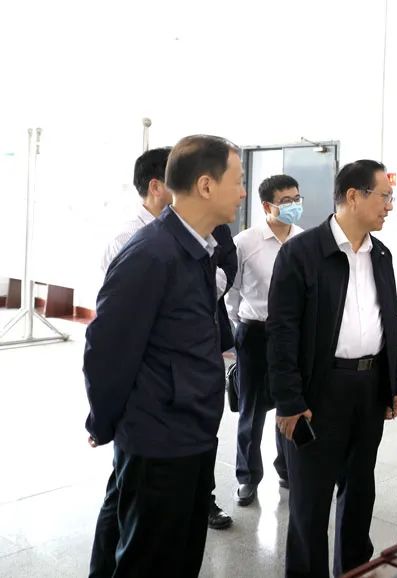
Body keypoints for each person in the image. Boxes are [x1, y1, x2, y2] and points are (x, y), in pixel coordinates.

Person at [83, 135, 246, 576]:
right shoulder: (151, 254)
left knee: (181, 555)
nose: (243, 192)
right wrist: (104, 421)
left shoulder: (198, 249)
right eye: (237, 181)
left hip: (193, 430)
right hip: (158, 440)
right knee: (150, 561)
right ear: (206, 185)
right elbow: (107, 350)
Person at [267, 160, 397, 578]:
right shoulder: (302, 253)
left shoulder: (381, 254)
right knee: (310, 504)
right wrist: (289, 401)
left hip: (368, 387)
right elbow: (281, 333)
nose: (389, 206)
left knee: (360, 493)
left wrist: (393, 383)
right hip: (319, 391)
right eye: (384, 197)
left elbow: (391, 320)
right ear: (353, 196)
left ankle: (355, 571)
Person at [225, 174, 303, 505]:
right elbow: (232, 291)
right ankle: (247, 477)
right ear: (267, 205)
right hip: (255, 332)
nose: (294, 205)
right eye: (286, 201)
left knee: (289, 403)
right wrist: (241, 322)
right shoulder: (246, 242)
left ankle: (287, 469)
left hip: (292, 335)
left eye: (297, 199)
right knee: (252, 410)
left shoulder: (303, 240)